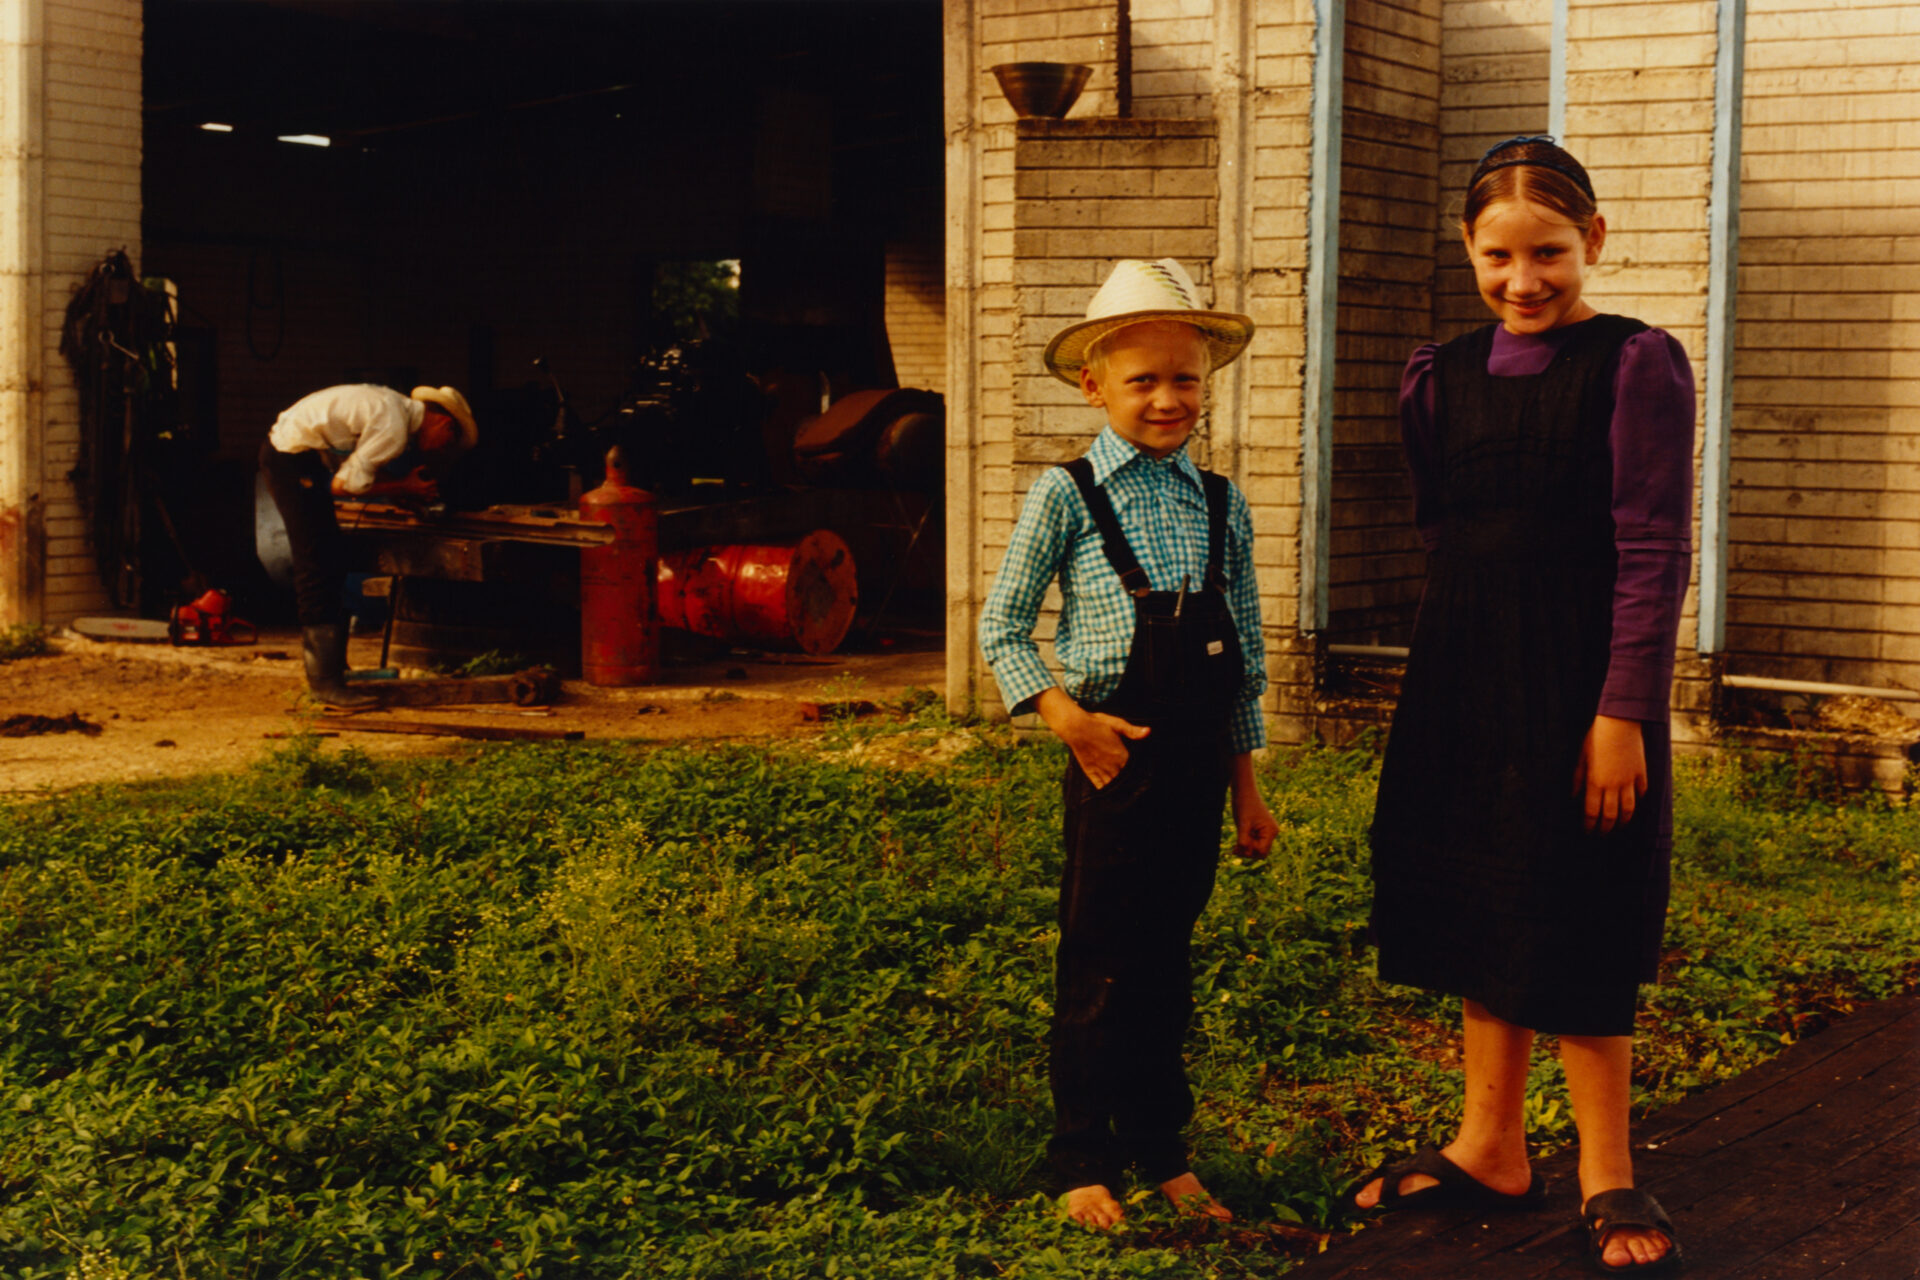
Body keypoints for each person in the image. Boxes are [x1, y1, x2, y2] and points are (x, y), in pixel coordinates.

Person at [1355, 136, 1694, 1276]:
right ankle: (1490, 1143)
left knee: (1581, 900)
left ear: (1591, 242)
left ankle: (1607, 1167)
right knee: (1478, 899)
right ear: (1469, 250)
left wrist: (1622, 710)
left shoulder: (1637, 362)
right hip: (1464, 673)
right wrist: (1463, 658)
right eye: (1498, 256)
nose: (1524, 280)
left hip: (1584, 682)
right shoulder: (1435, 374)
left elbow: (1652, 547)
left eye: (1548, 253)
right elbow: (1444, 527)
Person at [978, 258, 1280, 1230]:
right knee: (1100, 962)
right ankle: (1080, 1156)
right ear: (1093, 385)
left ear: (1207, 382)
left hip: (1196, 767)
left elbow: (1245, 658)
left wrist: (1247, 791)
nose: (1165, 398)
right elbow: (1002, 626)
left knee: (1166, 965)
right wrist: (1069, 721)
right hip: (1113, 764)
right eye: (1142, 379)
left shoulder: (1222, 504)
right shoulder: (1066, 494)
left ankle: (1161, 1146)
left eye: (1183, 378)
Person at [260, 383, 477, 706]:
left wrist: (402, 491)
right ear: (444, 424)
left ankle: (333, 671)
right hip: (291, 459)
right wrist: (404, 485)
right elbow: (343, 484)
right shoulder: (394, 426)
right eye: (447, 443)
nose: (439, 450)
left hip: (297, 455)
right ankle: (325, 684)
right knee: (316, 562)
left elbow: (363, 467)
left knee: (330, 557)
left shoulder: (394, 410)